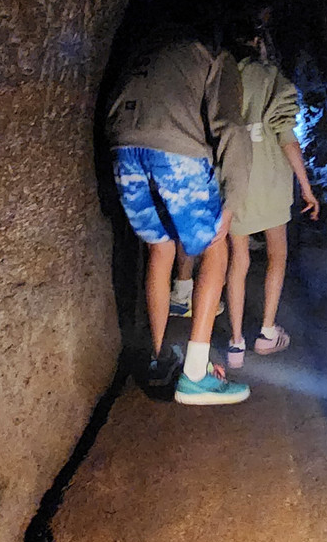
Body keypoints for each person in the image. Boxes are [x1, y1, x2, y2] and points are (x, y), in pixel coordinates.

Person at [107, 22, 252, 405]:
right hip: (175, 153)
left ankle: (160, 358)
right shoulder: (213, 57)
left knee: (160, 248)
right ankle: (195, 374)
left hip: (123, 149)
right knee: (215, 248)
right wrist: (232, 201)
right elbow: (232, 126)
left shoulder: (147, 48)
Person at [225, 20, 319, 370]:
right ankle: (266, 332)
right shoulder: (272, 77)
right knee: (277, 254)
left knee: (238, 259)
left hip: (234, 176)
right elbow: (286, 136)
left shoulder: (223, 76)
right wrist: (307, 188)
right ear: (256, 40)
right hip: (271, 178)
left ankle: (235, 344)